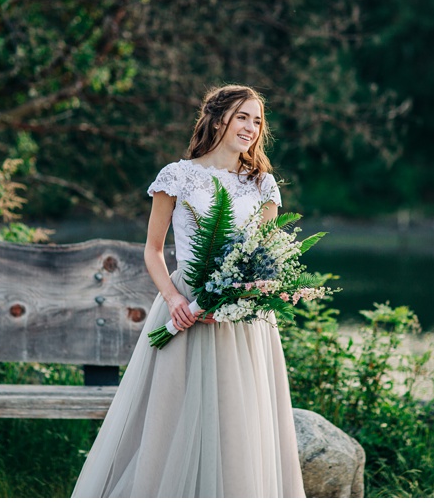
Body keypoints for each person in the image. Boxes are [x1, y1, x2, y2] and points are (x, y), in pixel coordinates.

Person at [72, 85, 305, 497]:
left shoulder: (263, 186)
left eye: (257, 120)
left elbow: (264, 254)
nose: (250, 127)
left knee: (239, 419)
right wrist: (176, 299)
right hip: (184, 310)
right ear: (218, 119)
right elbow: (154, 250)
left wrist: (241, 295)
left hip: (244, 320)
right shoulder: (177, 176)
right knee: (169, 416)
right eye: (242, 117)